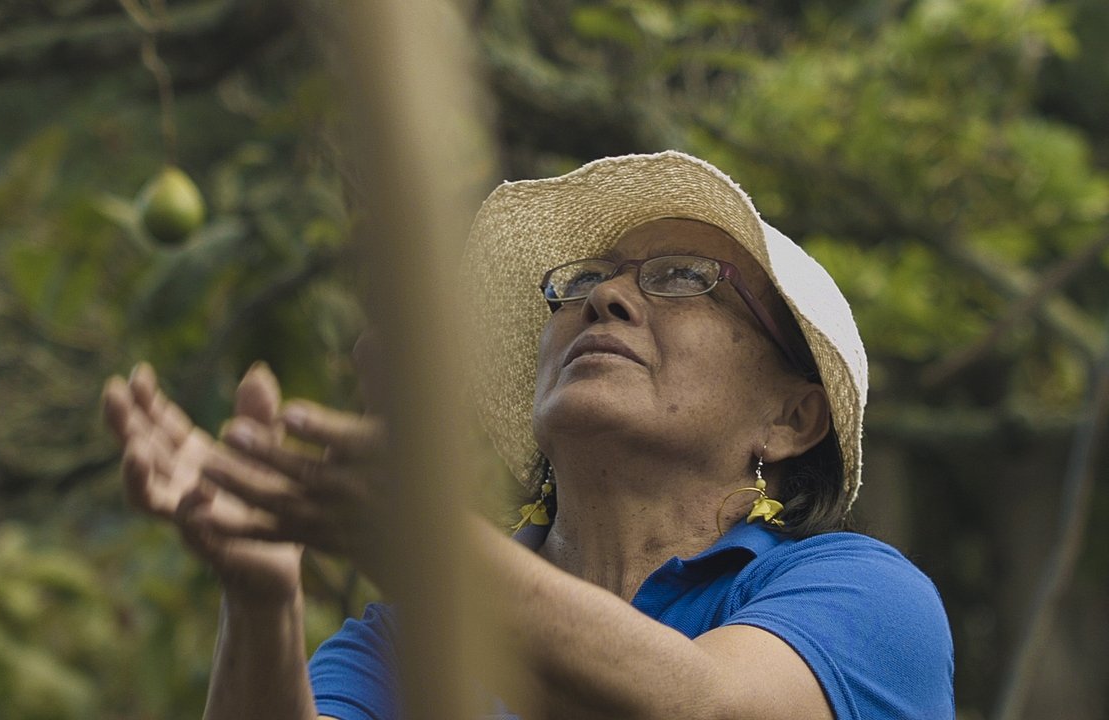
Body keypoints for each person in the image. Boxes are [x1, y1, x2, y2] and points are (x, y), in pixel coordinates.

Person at [103, 151, 955, 719]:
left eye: (683, 279)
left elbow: (705, 704)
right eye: (586, 280)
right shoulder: (399, 642)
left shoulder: (868, 601)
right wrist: (261, 601)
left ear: (792, 416)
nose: (606, 299)